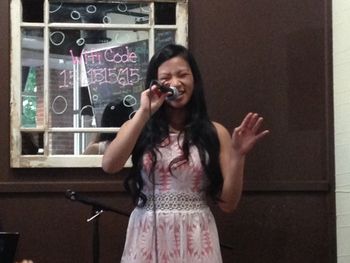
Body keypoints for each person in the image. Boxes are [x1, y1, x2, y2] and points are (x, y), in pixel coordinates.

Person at [102, 44, 269, 263]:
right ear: (155, 84)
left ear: (194, 81)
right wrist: (144, 113)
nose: (175, 82)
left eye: (182, 75)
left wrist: (238, 155)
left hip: (196, 235)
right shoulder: (138, 126)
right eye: (166, 77)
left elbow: (228, 204)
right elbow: (110, 165)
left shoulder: (215, 132)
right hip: (147, 234)